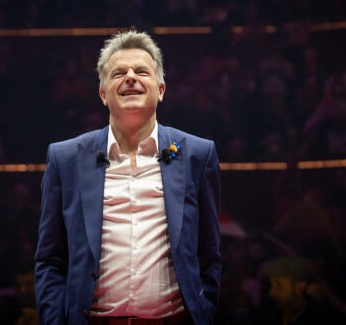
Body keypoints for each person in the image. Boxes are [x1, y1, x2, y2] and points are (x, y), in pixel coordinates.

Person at [34, 30, 222, 324]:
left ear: (161, 89)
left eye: (141, 71)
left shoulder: (198, 155)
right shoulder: (66, 159)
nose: (131, 77)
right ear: (103, 94)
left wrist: (203, 310)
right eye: (119, 72)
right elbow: (50, 260)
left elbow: (209, 255)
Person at [259, 255, 339, 325]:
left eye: (279, 286)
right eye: (272, 286)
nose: (272, 293)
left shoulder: (318, 313)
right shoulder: (273, 317)